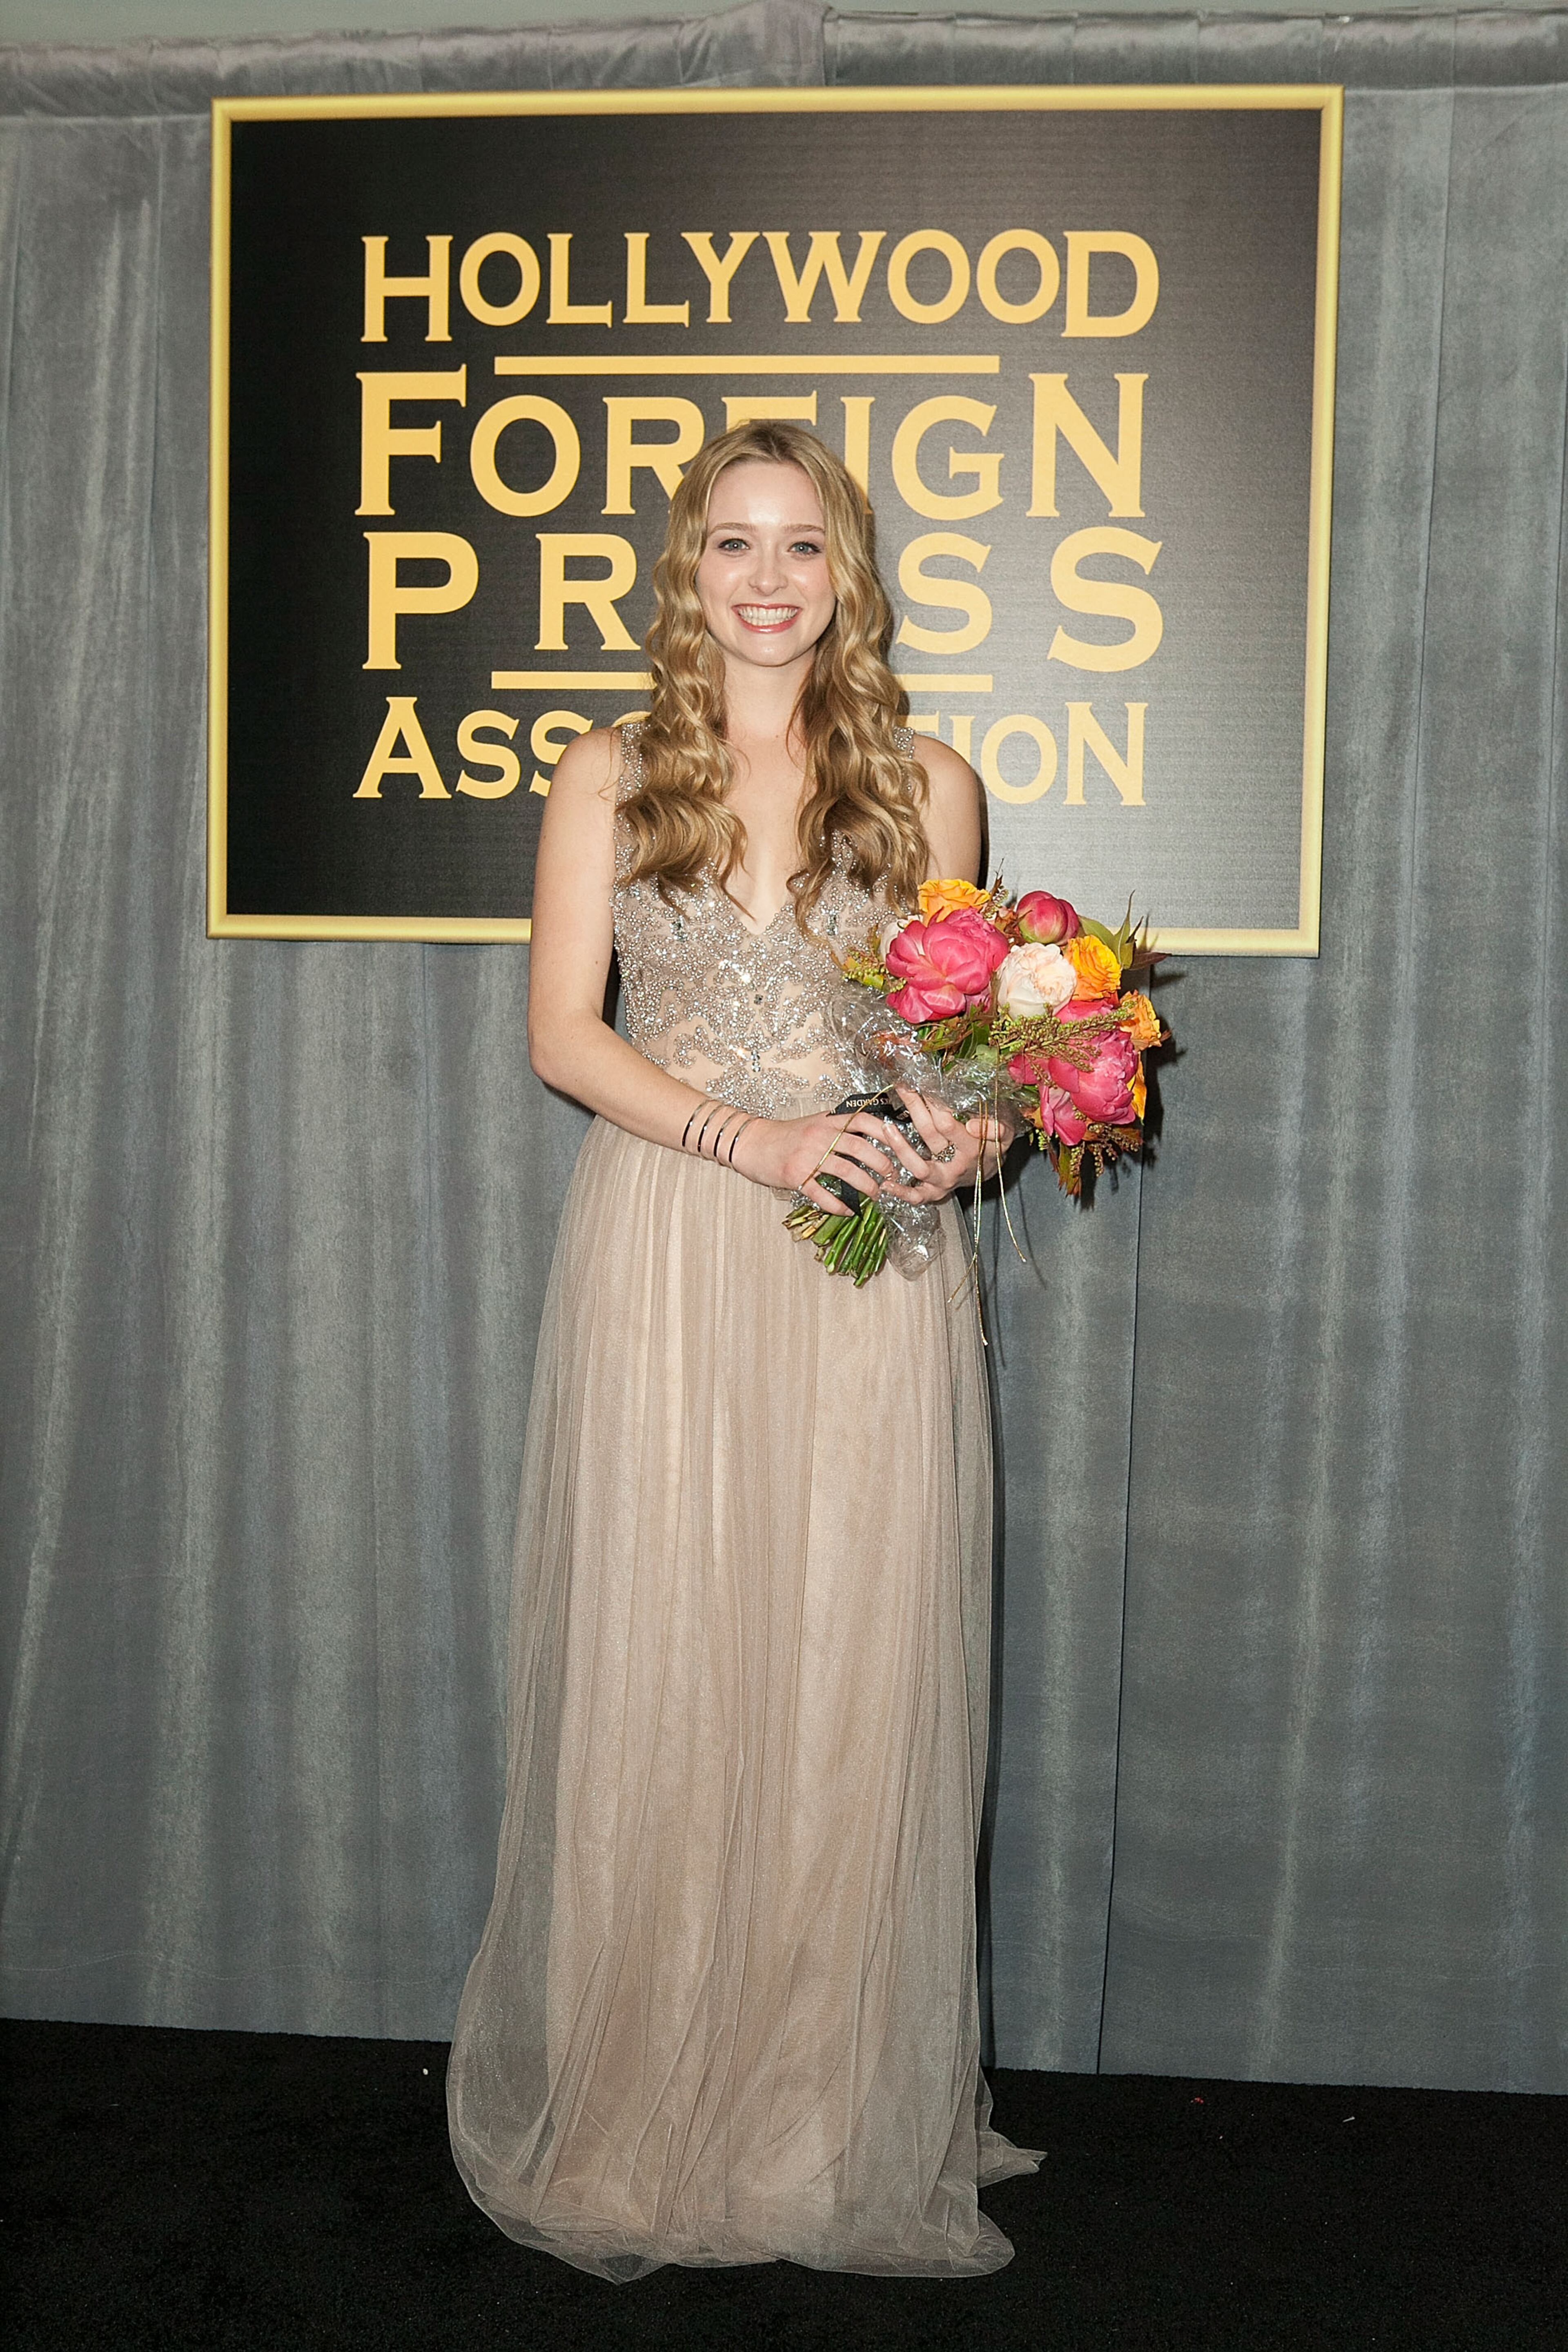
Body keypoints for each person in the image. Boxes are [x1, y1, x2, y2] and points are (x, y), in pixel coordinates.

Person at [447, 421, 1037, 2279]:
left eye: (800, 545)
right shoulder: (610, 773)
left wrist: (981, 1134)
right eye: (731, 545)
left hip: (868, 1268)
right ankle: (644, 2104)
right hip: (676, 1249)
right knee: (674, 1660)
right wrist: (751, 1138)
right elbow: (565, 1034)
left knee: (847, 1665)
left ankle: (813, 2114)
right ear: (685, 572)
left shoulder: (932, 785)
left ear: (845, 575)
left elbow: (953, 1060)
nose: (767, 577)